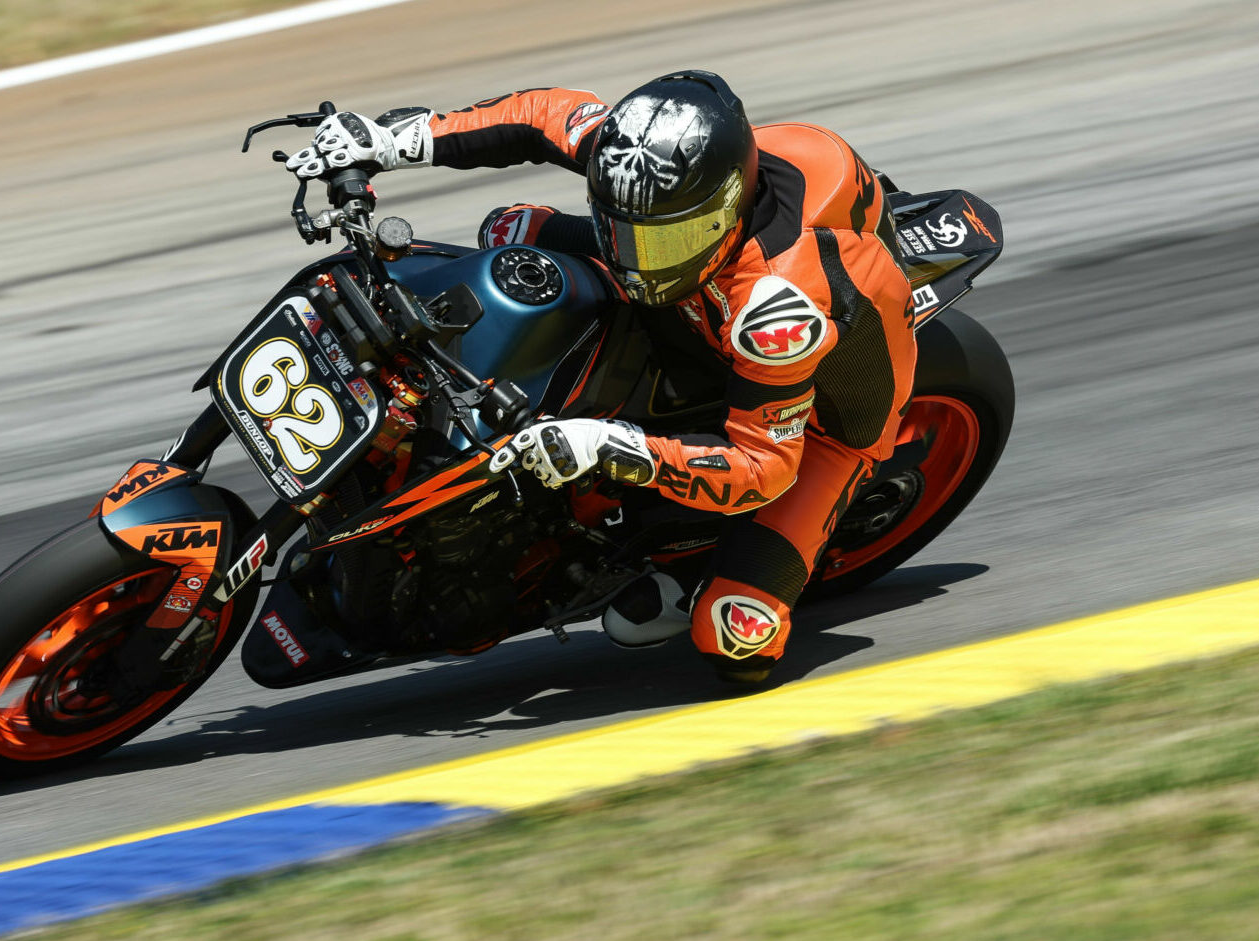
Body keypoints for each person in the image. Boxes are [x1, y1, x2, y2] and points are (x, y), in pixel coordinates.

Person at [284, 71, 915, 684]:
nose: (638, 261)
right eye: (621, 230)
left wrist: (607, 448)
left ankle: (691, 565)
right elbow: (540, 116)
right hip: (700, 292)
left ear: (724, 212)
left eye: (658, 243)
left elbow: (762, 470)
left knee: (732, 638)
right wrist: (393, 139)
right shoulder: (644, 164)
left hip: (822, 424)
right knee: (513, 232)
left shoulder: (776, 312)